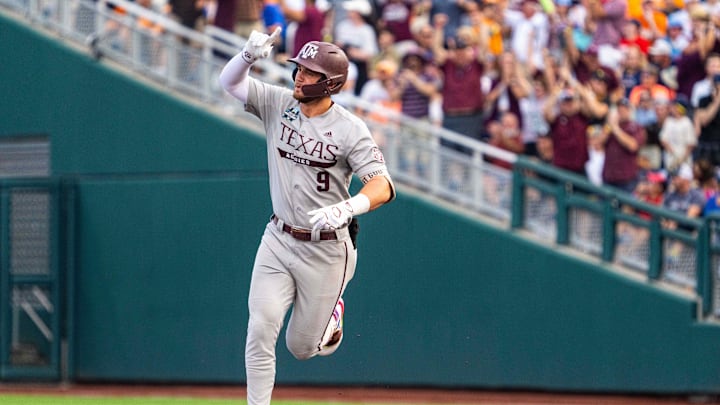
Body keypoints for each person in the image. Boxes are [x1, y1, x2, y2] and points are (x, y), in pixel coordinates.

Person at [218, 29, 395, 405]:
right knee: (260, 327)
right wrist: (247, 55)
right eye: (299, 68)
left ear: (330, 83)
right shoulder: (279, 103)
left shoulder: (350, 129)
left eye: (309, 72)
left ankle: (332, 316)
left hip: (327, 249)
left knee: (301, 348)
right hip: (278, 237)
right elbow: (229, 83)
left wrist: (348, 207)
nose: (299, 76)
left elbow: (383, 186)